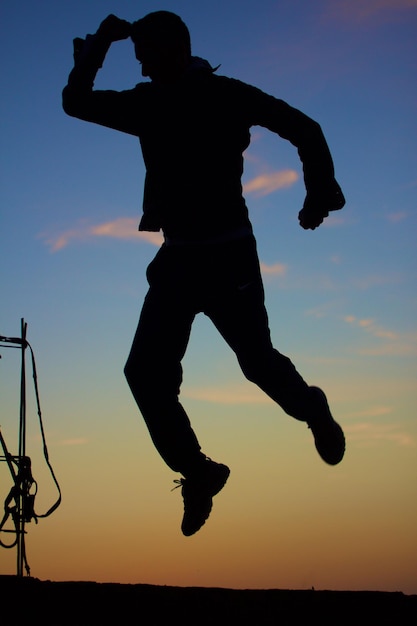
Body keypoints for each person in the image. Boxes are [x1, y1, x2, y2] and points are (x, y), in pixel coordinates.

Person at [63, 11, 346, 536]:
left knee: (257, 363)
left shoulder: (218, 94)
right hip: (178, 259)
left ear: (172, 48)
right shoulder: (150, 102)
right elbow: (75, 103)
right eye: (137, 56)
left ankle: (313, 409)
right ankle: (198, 472)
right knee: (144, 374)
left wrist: (319, 189)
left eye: (146, 54)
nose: (142, 66)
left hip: (227, 254)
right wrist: (100, 44)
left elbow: (305, 129)